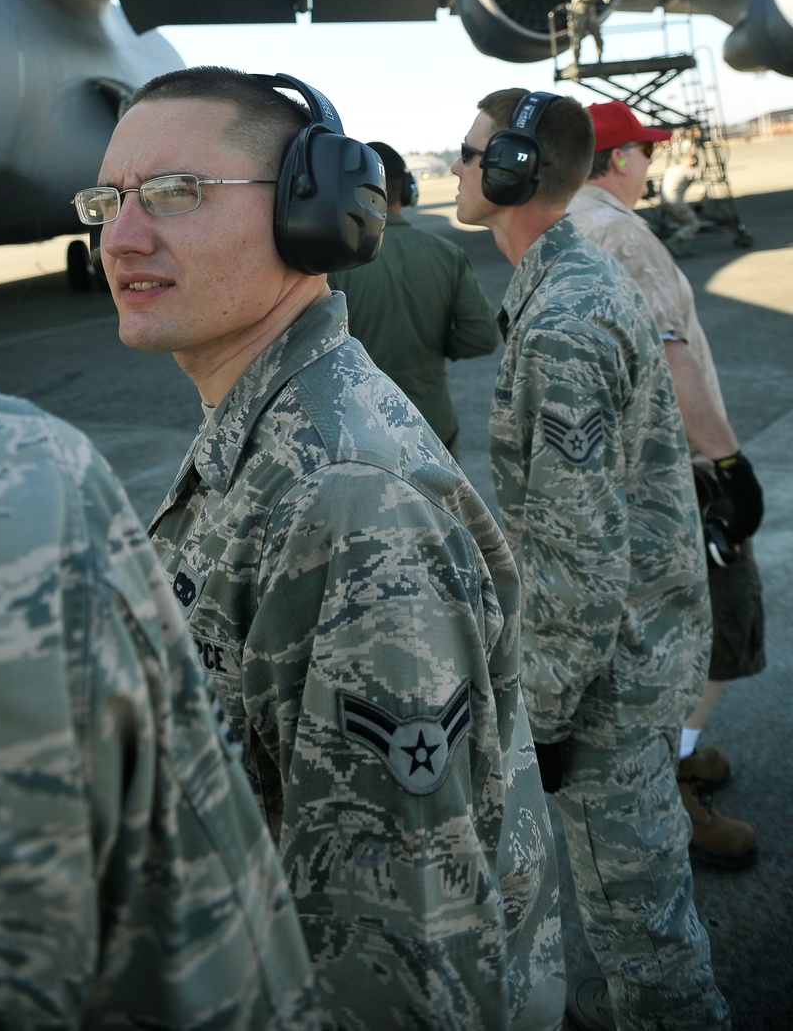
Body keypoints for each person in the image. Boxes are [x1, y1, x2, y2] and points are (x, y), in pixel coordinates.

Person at [80, 65, 564, 1029]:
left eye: (178, 194)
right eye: (108, 201)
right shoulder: (272, 433)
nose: (122, 238)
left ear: (315, 213)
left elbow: (402, 963)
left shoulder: (352, 502)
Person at [0, 343, 319, 1029]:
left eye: (175, 221)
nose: (118, 242)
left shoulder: (341, 481)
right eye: (100, 223)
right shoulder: (18, 477)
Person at [452, 87, 730, 1029]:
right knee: (626, 938)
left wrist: (547, 709)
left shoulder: (565, 320)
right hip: (640, 648)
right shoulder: (567, 276)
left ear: (510, 172)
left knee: (647, 949)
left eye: (467, 152)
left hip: (609, 684)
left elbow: (579, 549)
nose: (454, 168)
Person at [569, 98, 765, 870]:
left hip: (617, 470)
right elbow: (668, 352)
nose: (650, 164)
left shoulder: (568, 230)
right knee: (721, 628)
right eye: (643, 152)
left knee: (662, 631)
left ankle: (673, 758)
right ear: (619, 160)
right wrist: (726, 463)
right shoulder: (620, 231)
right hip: (676, 470)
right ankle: (670, 785)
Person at [327, 140, 500, 460]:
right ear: (407, 190)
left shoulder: (332, 262)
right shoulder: (448, 254)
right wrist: (433, 340)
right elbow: (482, 338)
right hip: (432, 428)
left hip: (358, 433)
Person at [659, 147, 703, 257]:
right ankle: (673, 243)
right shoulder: (690, 171)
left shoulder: (672, 168)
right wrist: (702, 203)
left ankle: (682, 248)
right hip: (675, 201)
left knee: (684, 222)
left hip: (664, 200)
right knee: (693, 223)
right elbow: (702, 188)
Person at [567, 0, 611, 64]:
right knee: (576, 38)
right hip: (579, 13)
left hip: (590, 13)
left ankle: (599, 57)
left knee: (597, 35)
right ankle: (576, 60)